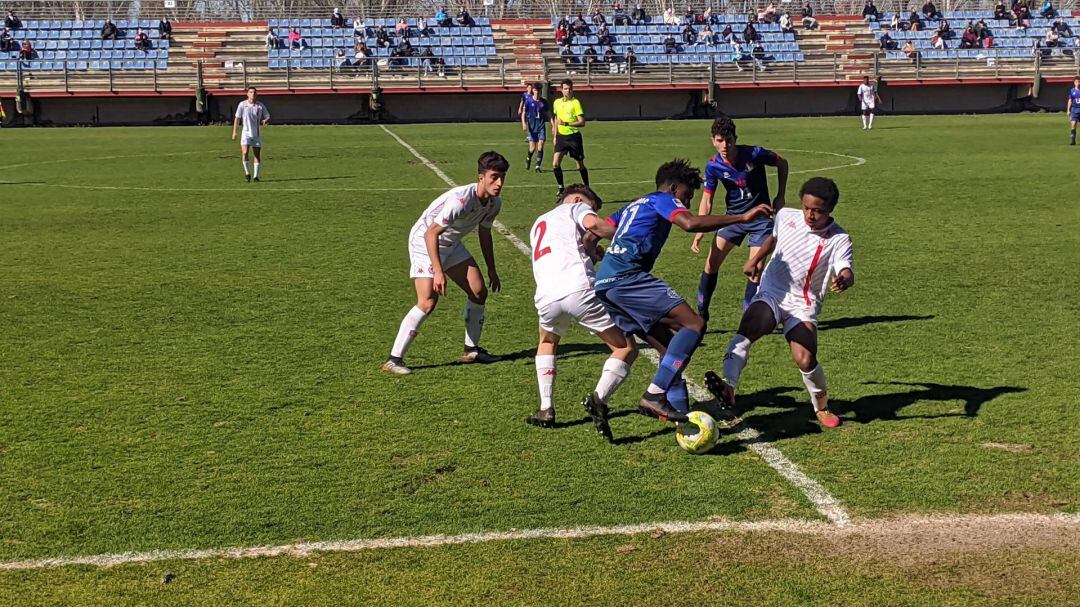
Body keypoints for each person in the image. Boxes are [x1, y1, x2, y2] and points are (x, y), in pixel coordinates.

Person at [593, 159, 773, 423]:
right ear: (674, 188)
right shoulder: (663, 199)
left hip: (605, 284)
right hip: (627, 278)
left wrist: (589, 249)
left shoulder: (635, 204)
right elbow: (689, 223)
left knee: (669, 349)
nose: (686, 204)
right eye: (686, 196)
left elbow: (600, 230)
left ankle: (683, 417)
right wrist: (742, 217)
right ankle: (654, 395)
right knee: (694, 324)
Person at [711, 177, 854, 430]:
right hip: (772, 292)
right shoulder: (786, 215)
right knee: (749, 329)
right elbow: (775, 238)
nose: (810, 215)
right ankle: (729, 386)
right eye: (807, 208)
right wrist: (756, 259)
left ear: (830, 210)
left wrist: (844, 278)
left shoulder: (839, 238)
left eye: (818, 211)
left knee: (805, 358)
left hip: (803, 304)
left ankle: (821, 407)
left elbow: (846, 268)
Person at [383, 151, 510, 375]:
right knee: (428, 301)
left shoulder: (494, 203)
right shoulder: (461, 200)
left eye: (502, 177)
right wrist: (438, 272)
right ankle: (393, 360)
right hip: (425, 242)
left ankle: (472, 350)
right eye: (494, 177)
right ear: (481, 177)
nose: (499, 183)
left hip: (450, 244)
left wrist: (492, 268)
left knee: (479, 292)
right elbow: (431, 234)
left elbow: (485, 234)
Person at [527, 185, 636, 436]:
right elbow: (595, 226)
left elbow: (562, 250)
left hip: (546, 295)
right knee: (625, 347)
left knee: (547, 340)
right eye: (592, 207)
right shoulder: (576, 207)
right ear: (577, 199)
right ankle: (599, 400)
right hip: (579, 288)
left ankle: (546, 408)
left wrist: (590, 252)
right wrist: (626, 237)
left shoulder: (539, 222)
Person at [692, 115, 788, 322]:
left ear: (735, 139)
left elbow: (782, 163)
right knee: (711, 264)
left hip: (761, 219)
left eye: (729, 140)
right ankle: (702, 310)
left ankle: (747, 316)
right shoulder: (714, 166)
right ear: (713, 140)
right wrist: (700, 230)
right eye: (719, 140)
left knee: (755, 268)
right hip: (734, 219)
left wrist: (780, 195)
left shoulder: (754, 153)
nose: (724, 145)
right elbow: (707, 199)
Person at [551, 79, 589, 200]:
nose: (568, 91)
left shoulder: (575, 103)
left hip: (573, 138)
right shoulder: (556, 102)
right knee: (555, 164)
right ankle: (561, 188)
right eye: (566, 88)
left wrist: (567, 124)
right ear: (561, 90)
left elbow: (582, 122)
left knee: (580, 166)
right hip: (561, 137)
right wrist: (555, 135)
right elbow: (556, 118)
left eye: (570, 88)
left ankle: (587, 188)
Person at [231, 87, 270, 183]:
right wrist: (234, 132)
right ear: (247, 94)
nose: (253, 94)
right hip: (246, 133)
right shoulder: (242, 105)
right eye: (251, 92)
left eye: (254, 92)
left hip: (256, 134)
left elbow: (268, 116)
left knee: (256, 155)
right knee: (245, 153)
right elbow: (237, 118)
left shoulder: (260, 106)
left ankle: (256, 177)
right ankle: (247, 173)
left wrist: (265, 120)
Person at [1067, 76, 1080, 145]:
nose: (1077, 83)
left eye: (1078, 82)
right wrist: (1068, 110)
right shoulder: (1072, 91)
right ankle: (1073, 140)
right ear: (1074, 83)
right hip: (1074, 109)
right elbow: (1070, 100)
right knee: (1073, 124)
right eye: (1076, 82)